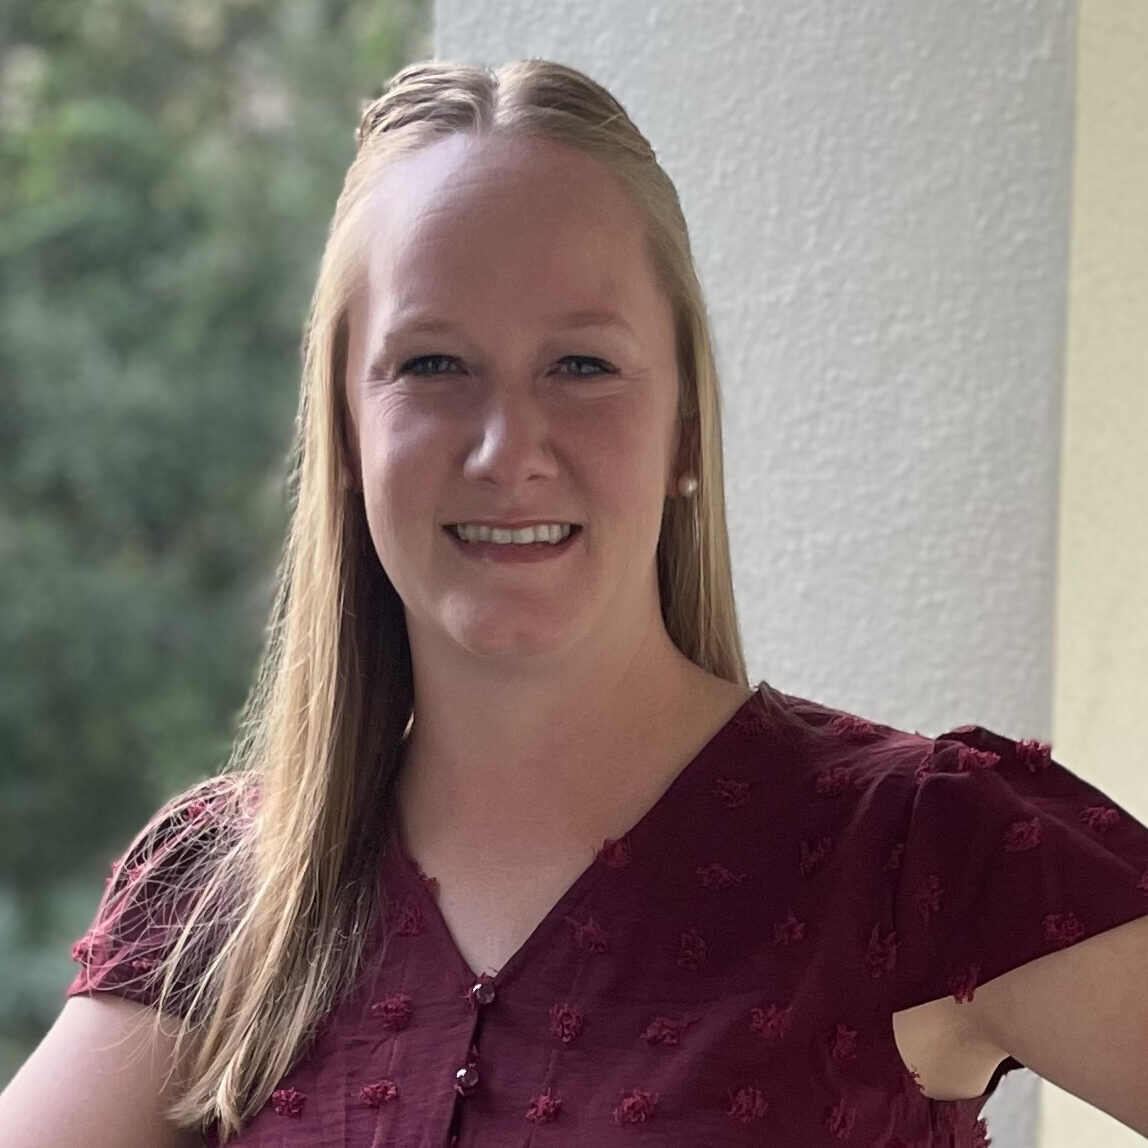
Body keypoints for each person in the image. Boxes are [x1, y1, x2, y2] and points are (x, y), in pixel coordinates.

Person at [3, 57, 1148, 1148]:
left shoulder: (920, 850)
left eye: (581, 366)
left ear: (685, 429)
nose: (509, 451)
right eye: (432, 366)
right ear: (346, 433)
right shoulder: (226, 890)